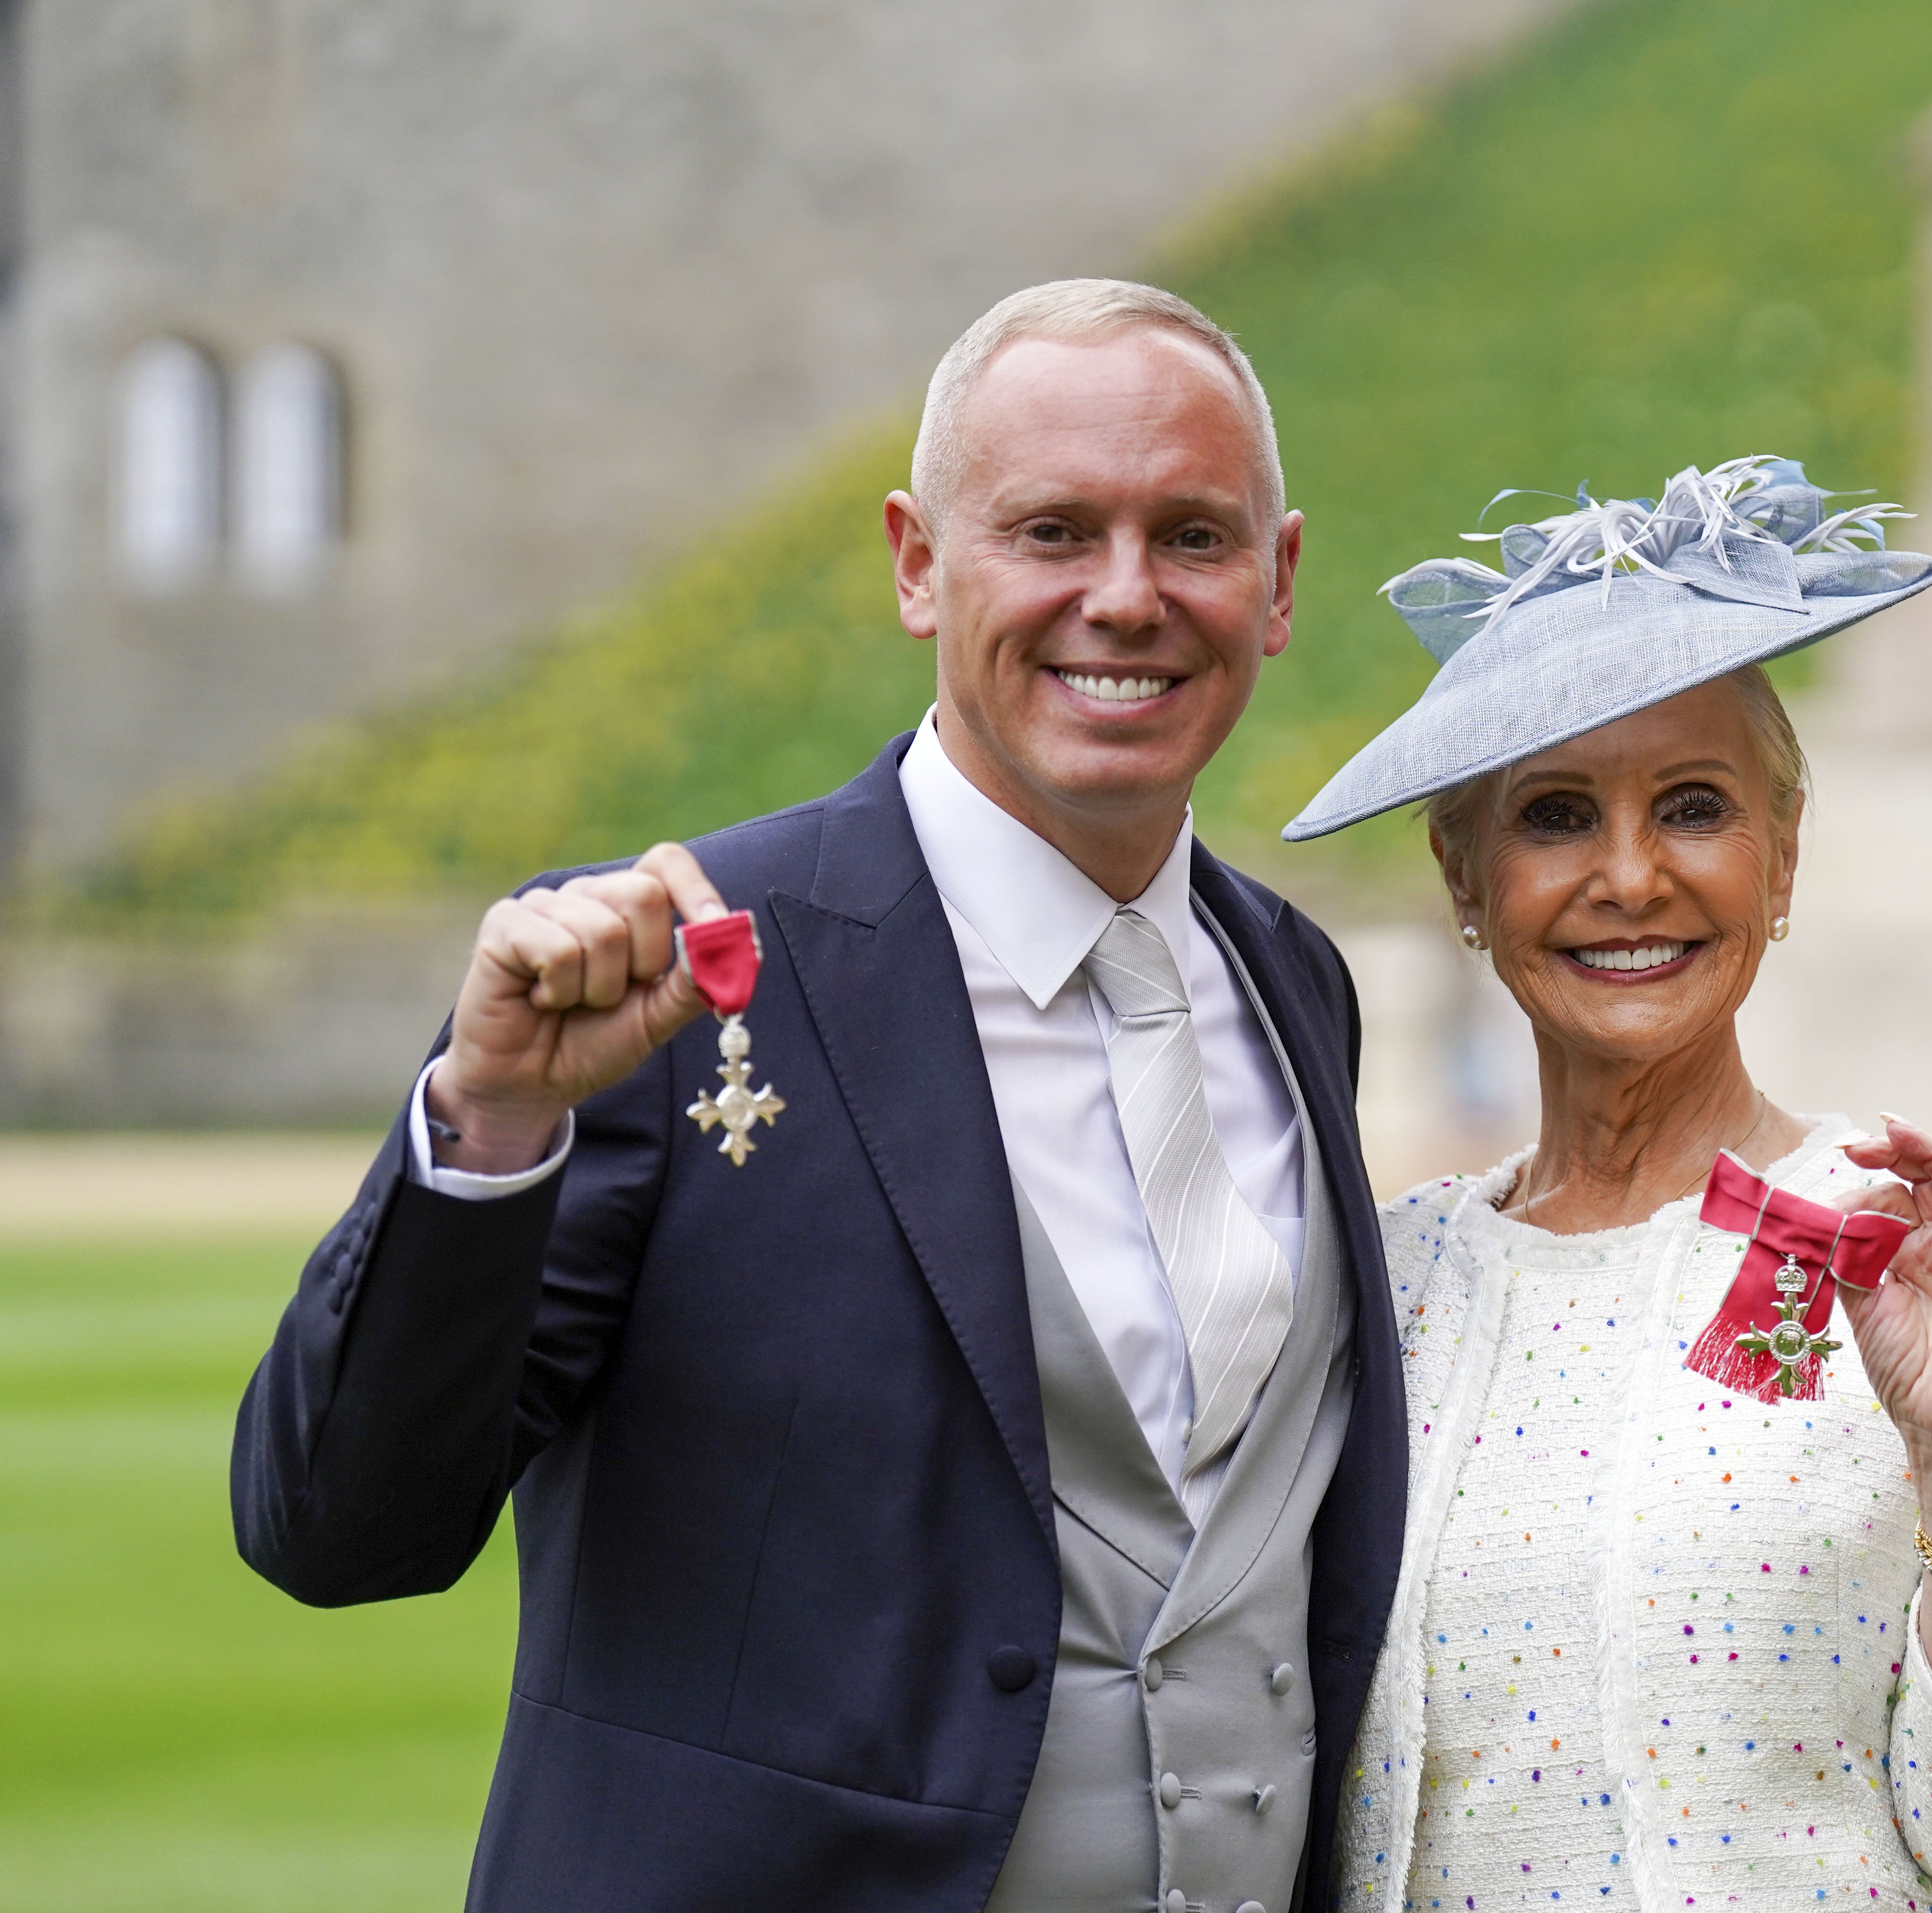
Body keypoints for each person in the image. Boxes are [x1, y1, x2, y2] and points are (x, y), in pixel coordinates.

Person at [231, 281, 1408, 1913]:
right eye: (1055, 531)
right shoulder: (665, 973)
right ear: (920, 563)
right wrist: (491, 1135)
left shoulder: (1294, 982)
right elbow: (338, 1534)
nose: (1126, 599)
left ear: (1276, 584)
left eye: (1192, 537)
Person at [1282, 459, 1932, 1911]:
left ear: (1781, 855)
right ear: (1463, 879)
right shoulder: (1383, 1278)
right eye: (1554, 816)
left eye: (1692, 807)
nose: (1628, 877)